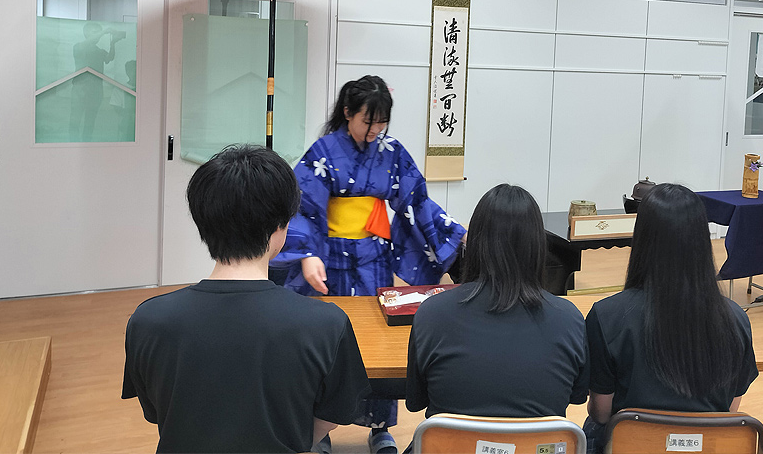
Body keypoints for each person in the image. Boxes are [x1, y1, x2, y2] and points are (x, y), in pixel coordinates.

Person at [122, 145, 371, 453]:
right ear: (280, 227)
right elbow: (330, 418)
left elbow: (158, 413)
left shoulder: (147, 321)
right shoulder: (327, 325)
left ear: (204, 223)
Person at [270, 75, 466, 454]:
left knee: (376, 338)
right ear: (347, 113)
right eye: (367, 121)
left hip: (374, 261)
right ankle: (319, 428)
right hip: (329, 261)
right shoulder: (324, 150)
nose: (375, 130)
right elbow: (303, 207)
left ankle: (379, 427)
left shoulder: (392, 152)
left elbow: (417, 201)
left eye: (382, 122)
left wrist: (455, 232)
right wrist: (307, 254)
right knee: (327, 339)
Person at [582, 183, 758, 453]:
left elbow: (602, 413)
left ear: (641, 239)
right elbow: (730, 410)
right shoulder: (735, 319)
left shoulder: (607, 316)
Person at [406, 184, 591, 423]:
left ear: (474, 244)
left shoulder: (432, 313)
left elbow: (416, 400)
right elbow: (576, 396)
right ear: (538, 247)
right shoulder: (569, 318)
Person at [69, 22, 124, 141]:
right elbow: (85, 46)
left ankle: (86, 144)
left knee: (90, 119)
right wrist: (104, 31)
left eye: (99, 33)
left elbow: (109, 58)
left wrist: (113, 43)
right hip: (80, 89)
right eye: (96, 33)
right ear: (86, 33)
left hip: (96, 89)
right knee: (75, 119)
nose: (99, 36)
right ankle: (72, 144)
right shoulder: (78, 47)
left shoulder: (99, 50)